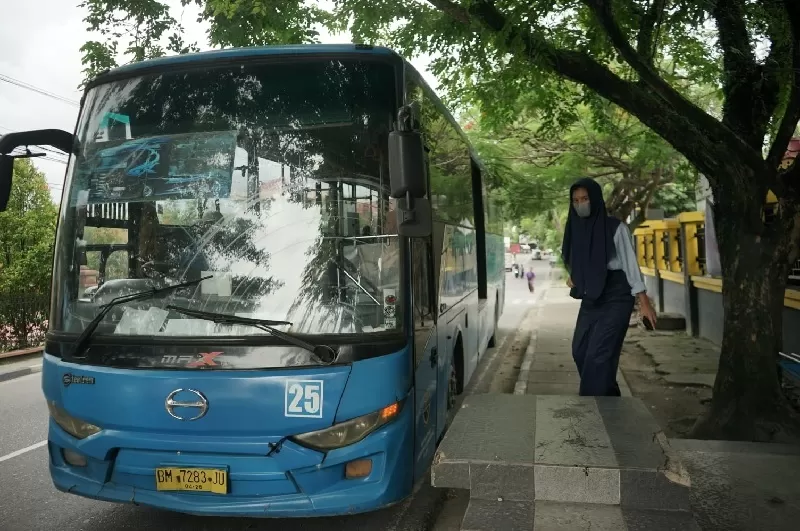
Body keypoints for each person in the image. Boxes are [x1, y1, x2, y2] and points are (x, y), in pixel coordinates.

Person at [561, 177, 657, 396]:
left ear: (594, 199)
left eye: (584, 199)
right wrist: (576, 277)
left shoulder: (615, 228)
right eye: (575, 200)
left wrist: (644, 303)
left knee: (598, 356)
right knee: (581, 351)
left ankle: (592, 411)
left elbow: (631, 266)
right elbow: (576, 258)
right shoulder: (575, 228)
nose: (580, 204)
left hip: (616, 294)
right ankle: (610, 399)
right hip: (592, 294)